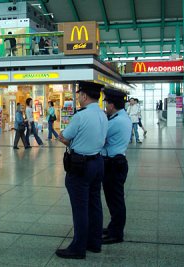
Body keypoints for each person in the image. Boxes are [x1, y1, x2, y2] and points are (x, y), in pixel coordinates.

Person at [56, 81, 108, 260]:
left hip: (80, 166)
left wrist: (66, 140)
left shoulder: (80, 116)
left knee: (80, 208)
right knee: (95, 204)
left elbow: (65, 136)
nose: (78, 98)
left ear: (84, 96)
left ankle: (78, 248)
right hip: (98, 162)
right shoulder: (103, 114)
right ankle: (94, 243)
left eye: (79, 95)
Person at [101, 88, 132, 245]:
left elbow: (100, 136)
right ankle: (114, 227)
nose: (105, 106)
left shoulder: (117, 121)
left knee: (116, 201)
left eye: (106, 103)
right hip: (116, 163)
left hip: (114, 164)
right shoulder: (121, 117)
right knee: (114, 199)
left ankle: (116, 234)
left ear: (112, 104)